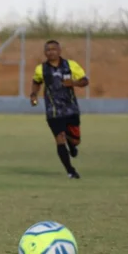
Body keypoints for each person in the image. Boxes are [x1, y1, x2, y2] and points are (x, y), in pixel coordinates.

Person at [30, 40, 88, 179]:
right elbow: (36, 81)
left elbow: (85, 81)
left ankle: (72, 146)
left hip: (71, 109)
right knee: (59, 138)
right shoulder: (41, 69)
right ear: (45, 52)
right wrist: (33, 95)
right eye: (48, 49)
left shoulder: (71, 65)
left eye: (54, 49)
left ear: (59, 50)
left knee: (75, 141)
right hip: (53, 111)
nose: (51, 52)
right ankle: (70, 171)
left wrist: (73, 83)